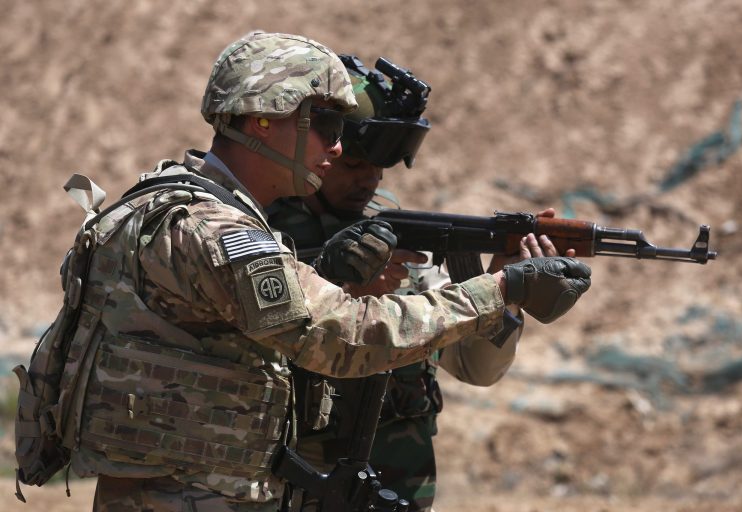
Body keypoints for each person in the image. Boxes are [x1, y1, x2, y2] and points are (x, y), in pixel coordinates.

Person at [48, 31, 590, 512]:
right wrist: (503, 288)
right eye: (325, 125)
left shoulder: (162, 204)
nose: (335, 147)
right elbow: (341, 338)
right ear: (262, 121)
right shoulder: (216, 232)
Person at [267, 55, 576, 511]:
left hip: (396, 493)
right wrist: (340, 287)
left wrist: (501, 290)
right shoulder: (260, 239)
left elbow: (478, 369)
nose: (369, 181)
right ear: (318, 149)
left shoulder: (401, 246)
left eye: (379, 169)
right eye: (353, 163)